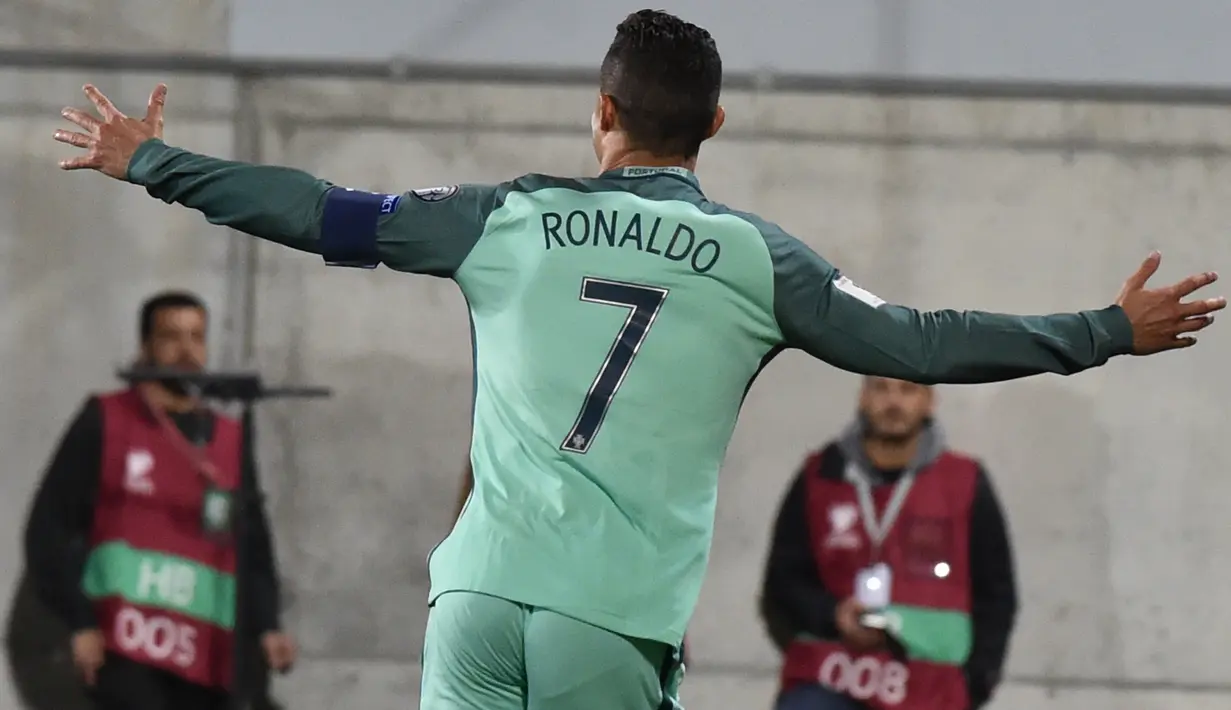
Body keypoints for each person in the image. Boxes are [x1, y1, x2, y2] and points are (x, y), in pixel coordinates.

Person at [49, 9, 1222, 709]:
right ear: (713, 126)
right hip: (605, 620)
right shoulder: (757, 262)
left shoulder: (503, 219)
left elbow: (321, 209)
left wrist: (152, 161)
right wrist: (1102, 331)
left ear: (599, 109)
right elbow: (919, 340)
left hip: (474, 596)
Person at [22, 291, 296, 710]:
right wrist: (79, 623)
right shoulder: (107, 418)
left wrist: (268, 626)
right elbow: (49, 529)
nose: (186, 350)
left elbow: (254, 545)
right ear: (146, 346)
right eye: (171, 336)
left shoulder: (228, 438)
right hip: (125, 645)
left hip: (204, 650)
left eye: (196, 337)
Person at [760, 377, 1017, 710]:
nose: (893, 402)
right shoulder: (819, 475)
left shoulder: (965, 482)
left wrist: (977, 682)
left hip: (932, 690)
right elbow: (782, 583)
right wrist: (833, 616)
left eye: (907, 389)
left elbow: (996, 594)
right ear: (862, 397)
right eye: (880, 388)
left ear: (930, 400)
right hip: (829, 678)